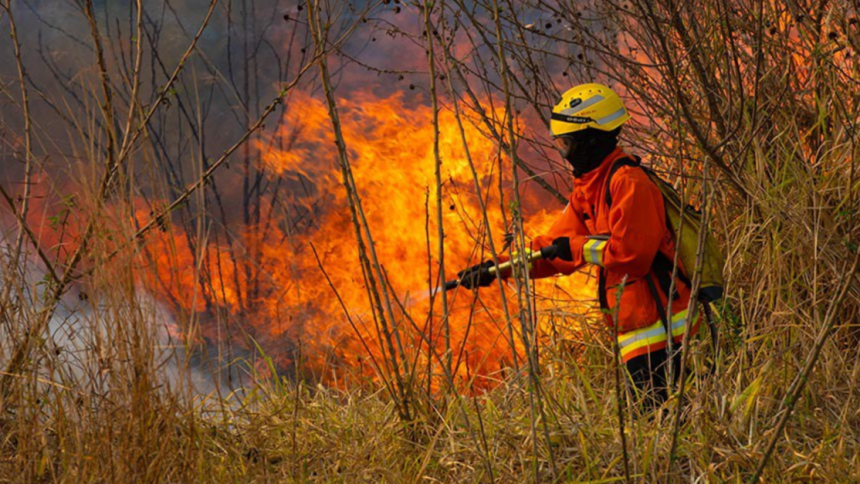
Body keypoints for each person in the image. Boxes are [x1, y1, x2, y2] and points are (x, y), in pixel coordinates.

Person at [457, 83, 699, 410]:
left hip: (667, 330)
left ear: (592, 139)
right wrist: (498, 268)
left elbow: (633, 256)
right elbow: (553, 249)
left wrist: (578, 248)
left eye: (567, 143)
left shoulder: (628, 183)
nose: (564, 152)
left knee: (667, 421)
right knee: (653, 422)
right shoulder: (591, 189)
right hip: (638, 328)